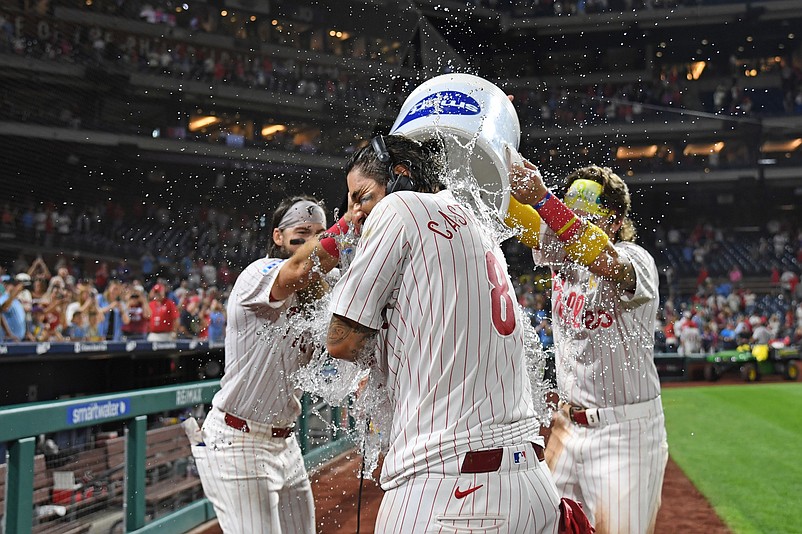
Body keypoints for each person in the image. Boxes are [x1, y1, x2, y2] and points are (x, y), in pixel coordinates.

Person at [325, 135, 560, 534]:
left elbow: (340, 340)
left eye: (360, 197)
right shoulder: (473, 218)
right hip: (532, 486)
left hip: (450, 492)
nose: (353, 216)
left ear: (399, 177)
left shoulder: (400, 206)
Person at [508, 162, 668, 534]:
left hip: (624, 432)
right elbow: (509, 212)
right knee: (541, 525)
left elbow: (602, 258)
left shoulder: (636, 259)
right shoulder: (560, 252)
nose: (569, 223)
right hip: (567, 426)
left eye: (584, 216)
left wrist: (544, 200)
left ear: (613, 221)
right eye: (568, 212)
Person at [190, 195, 348, 533]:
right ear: (278, 236)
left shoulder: (321, 294)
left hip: (285, 442)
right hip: (238, 440)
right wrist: (350, 222)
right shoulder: (258, 273)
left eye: (320, 232)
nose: (313, 240)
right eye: (302, 231)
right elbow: (299, 269)